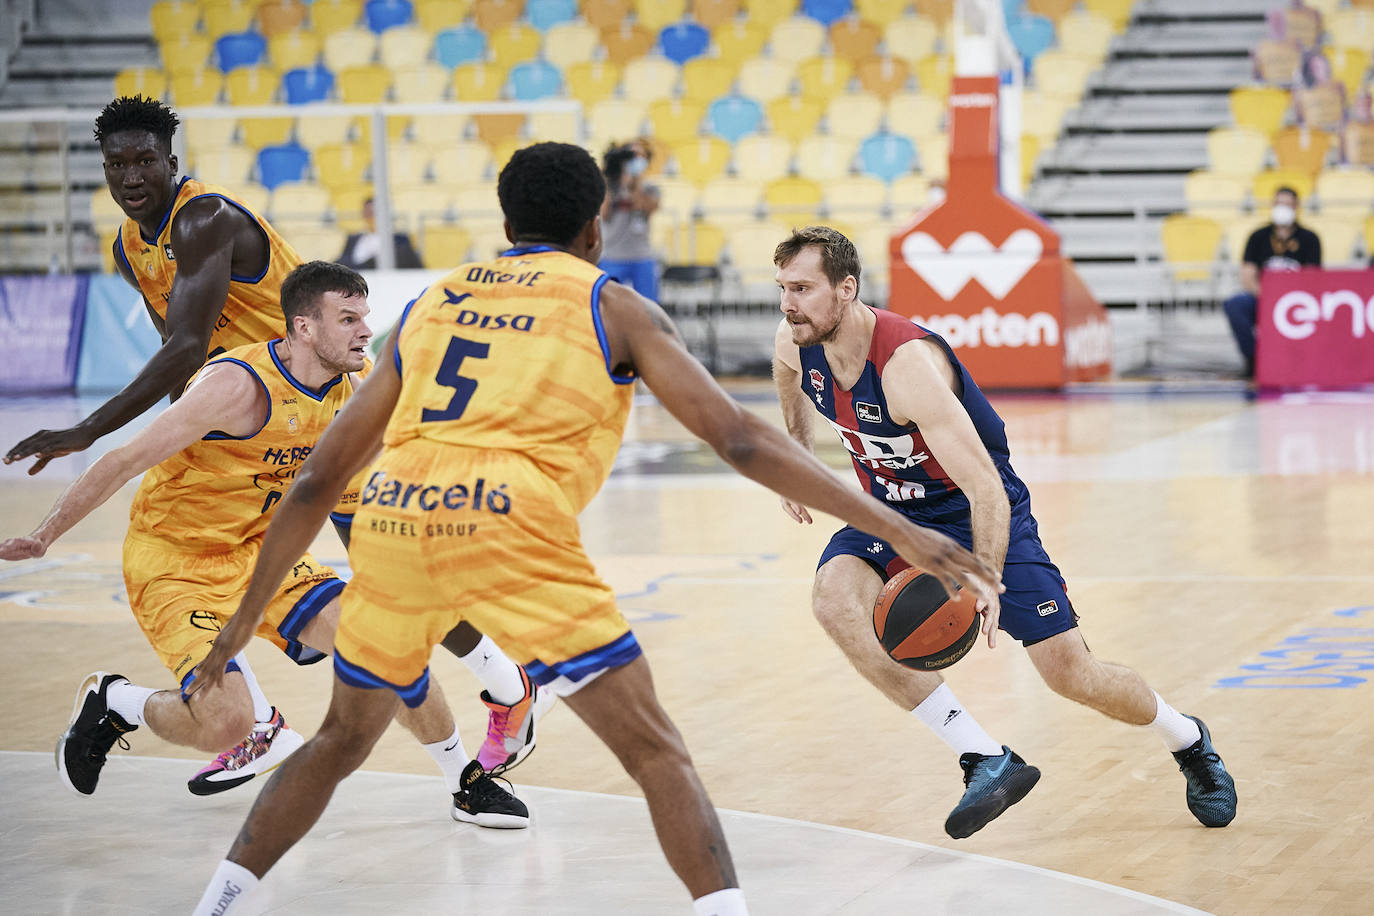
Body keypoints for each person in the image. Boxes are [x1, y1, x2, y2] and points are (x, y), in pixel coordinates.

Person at [184, 142, 1002, 916]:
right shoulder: (612, 304)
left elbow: (320, 477)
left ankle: (215, 903)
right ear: (595, 229)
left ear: (506, 224)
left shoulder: (434, 301)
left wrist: (245, 618)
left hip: (393, 518)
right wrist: (897, 527)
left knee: (337, 739)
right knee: (655, 753)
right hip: (507, 520)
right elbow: (741, 439)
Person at [2, 95, 538, 791]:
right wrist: (191, 431)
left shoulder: (203, 217)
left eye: (144, 161)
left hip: (322, 399)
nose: (131, 176)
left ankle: (502, 683)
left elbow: (186, 344)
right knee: (255, 559)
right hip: (254, 417)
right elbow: (182, 357)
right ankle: (254, 724)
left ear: (171, 162)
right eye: (116, 164)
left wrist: (85, 429)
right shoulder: (130, 247)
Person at [771, 225, 1238, 840]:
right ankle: (984, 757)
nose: (789, 303)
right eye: (783, 288)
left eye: (802, 288)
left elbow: (985, 487)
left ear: (846, 289)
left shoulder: (906, 367)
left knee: (1070, 674)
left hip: (976, 510)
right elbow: (788, 376)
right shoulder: (797, 336)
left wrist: (985, 578)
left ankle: (1187, 738)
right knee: (833, 599)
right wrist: (797, 454)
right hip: (893, 513)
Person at [1223, 186, 1321, 377]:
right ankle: (1254, 359)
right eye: (1278, 204)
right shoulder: (1258, 236)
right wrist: (1267, 296)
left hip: (1297, 301)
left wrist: (1288, 299)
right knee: (1235, 305)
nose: (1282, 208)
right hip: (1263, 297)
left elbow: (1313, 278)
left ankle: (1305, 361)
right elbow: (1247, 275)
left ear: (1296, 206)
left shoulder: (1309, 238)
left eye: (1287, 204)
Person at [599, 137, 661, 302]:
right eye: (632, 156)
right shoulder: (609, 187)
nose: (636, 160)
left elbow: (643, 206)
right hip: (612, 255)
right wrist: (608, 176)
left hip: (641, 256)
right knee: (607, 303)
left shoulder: (650, 188)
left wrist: (635, 182)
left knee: (649, 305)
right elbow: (604, 213)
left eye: (641, 157)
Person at [336, 196, 425, 270]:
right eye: (368, 213)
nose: (371, 217)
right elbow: (342, 263)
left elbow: (415, 267)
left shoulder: (401, 240)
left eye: (374, 213)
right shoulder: (353, 239)